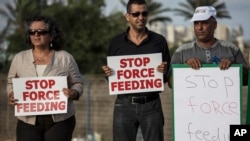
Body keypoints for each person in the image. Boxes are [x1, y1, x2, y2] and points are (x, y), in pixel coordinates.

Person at [101, 0, 171, 140]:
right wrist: (108, 74)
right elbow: (113, 77)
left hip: (152, 104)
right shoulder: (116, 43)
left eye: (144, 13)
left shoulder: (159, 41)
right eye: (136, 14)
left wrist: (163, 71)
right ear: (127, 16)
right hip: (124, 104)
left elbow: (166, 77)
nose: (141, 17)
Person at [6, 14, 83, 141]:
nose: (36, 35)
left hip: (60, 120)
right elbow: (10, 83)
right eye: (32, 32)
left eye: (41, 32)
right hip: (27, 119)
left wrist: (73, 92)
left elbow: (77, 83)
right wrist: (11, 93)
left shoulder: (65, 57)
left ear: (51, 35)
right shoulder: (19, 58)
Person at [168, 6, 249, 88]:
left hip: (224, 101)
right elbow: (171, 84)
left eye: (204, 23)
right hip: (192, 100)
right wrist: (184, 67)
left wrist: (233, 66)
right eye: (196, 23)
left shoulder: (232, 49)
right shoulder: (181, 52)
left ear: (214, 25)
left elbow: (246, 80)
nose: (199, 27)